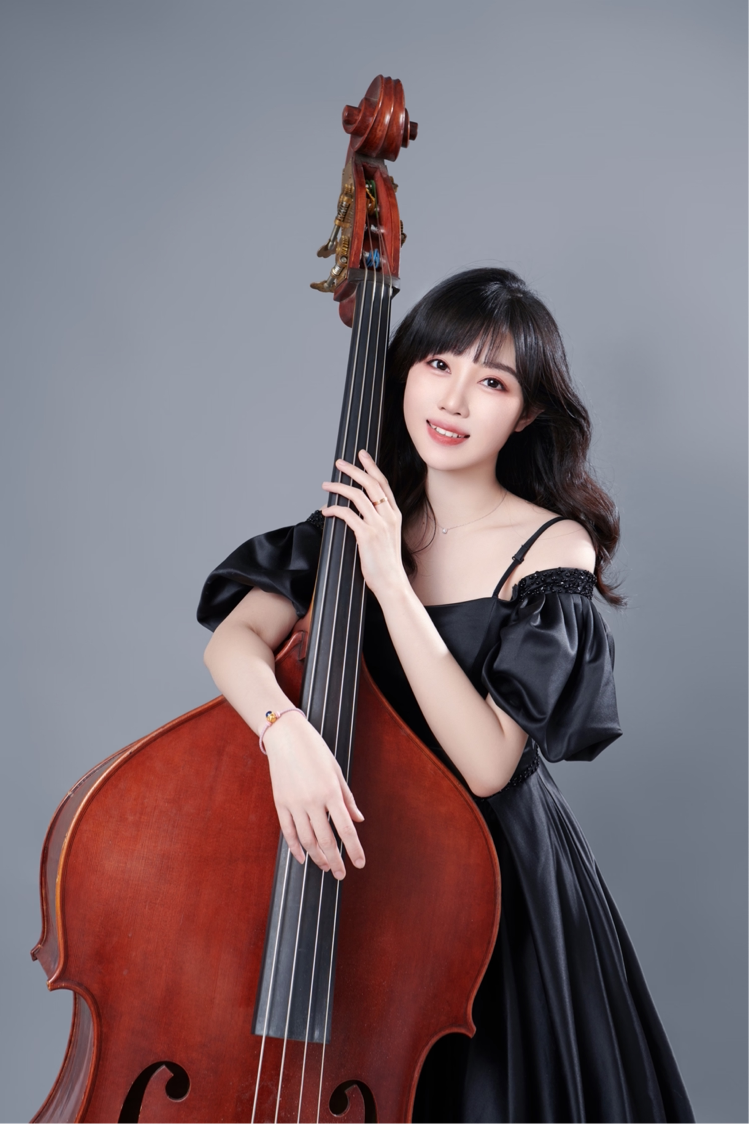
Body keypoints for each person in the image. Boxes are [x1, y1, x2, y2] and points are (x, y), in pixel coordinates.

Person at [197, 268, 695, 1123]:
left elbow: (488, 762)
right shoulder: (359, 519)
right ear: (403, 373)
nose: (454, 400)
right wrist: (287, 736)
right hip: (364, 849)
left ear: (526, 414)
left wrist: (391, 580)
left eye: (492, 382)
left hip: (487, 879)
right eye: (436, 365)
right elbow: (234, 643)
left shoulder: (551, 547)